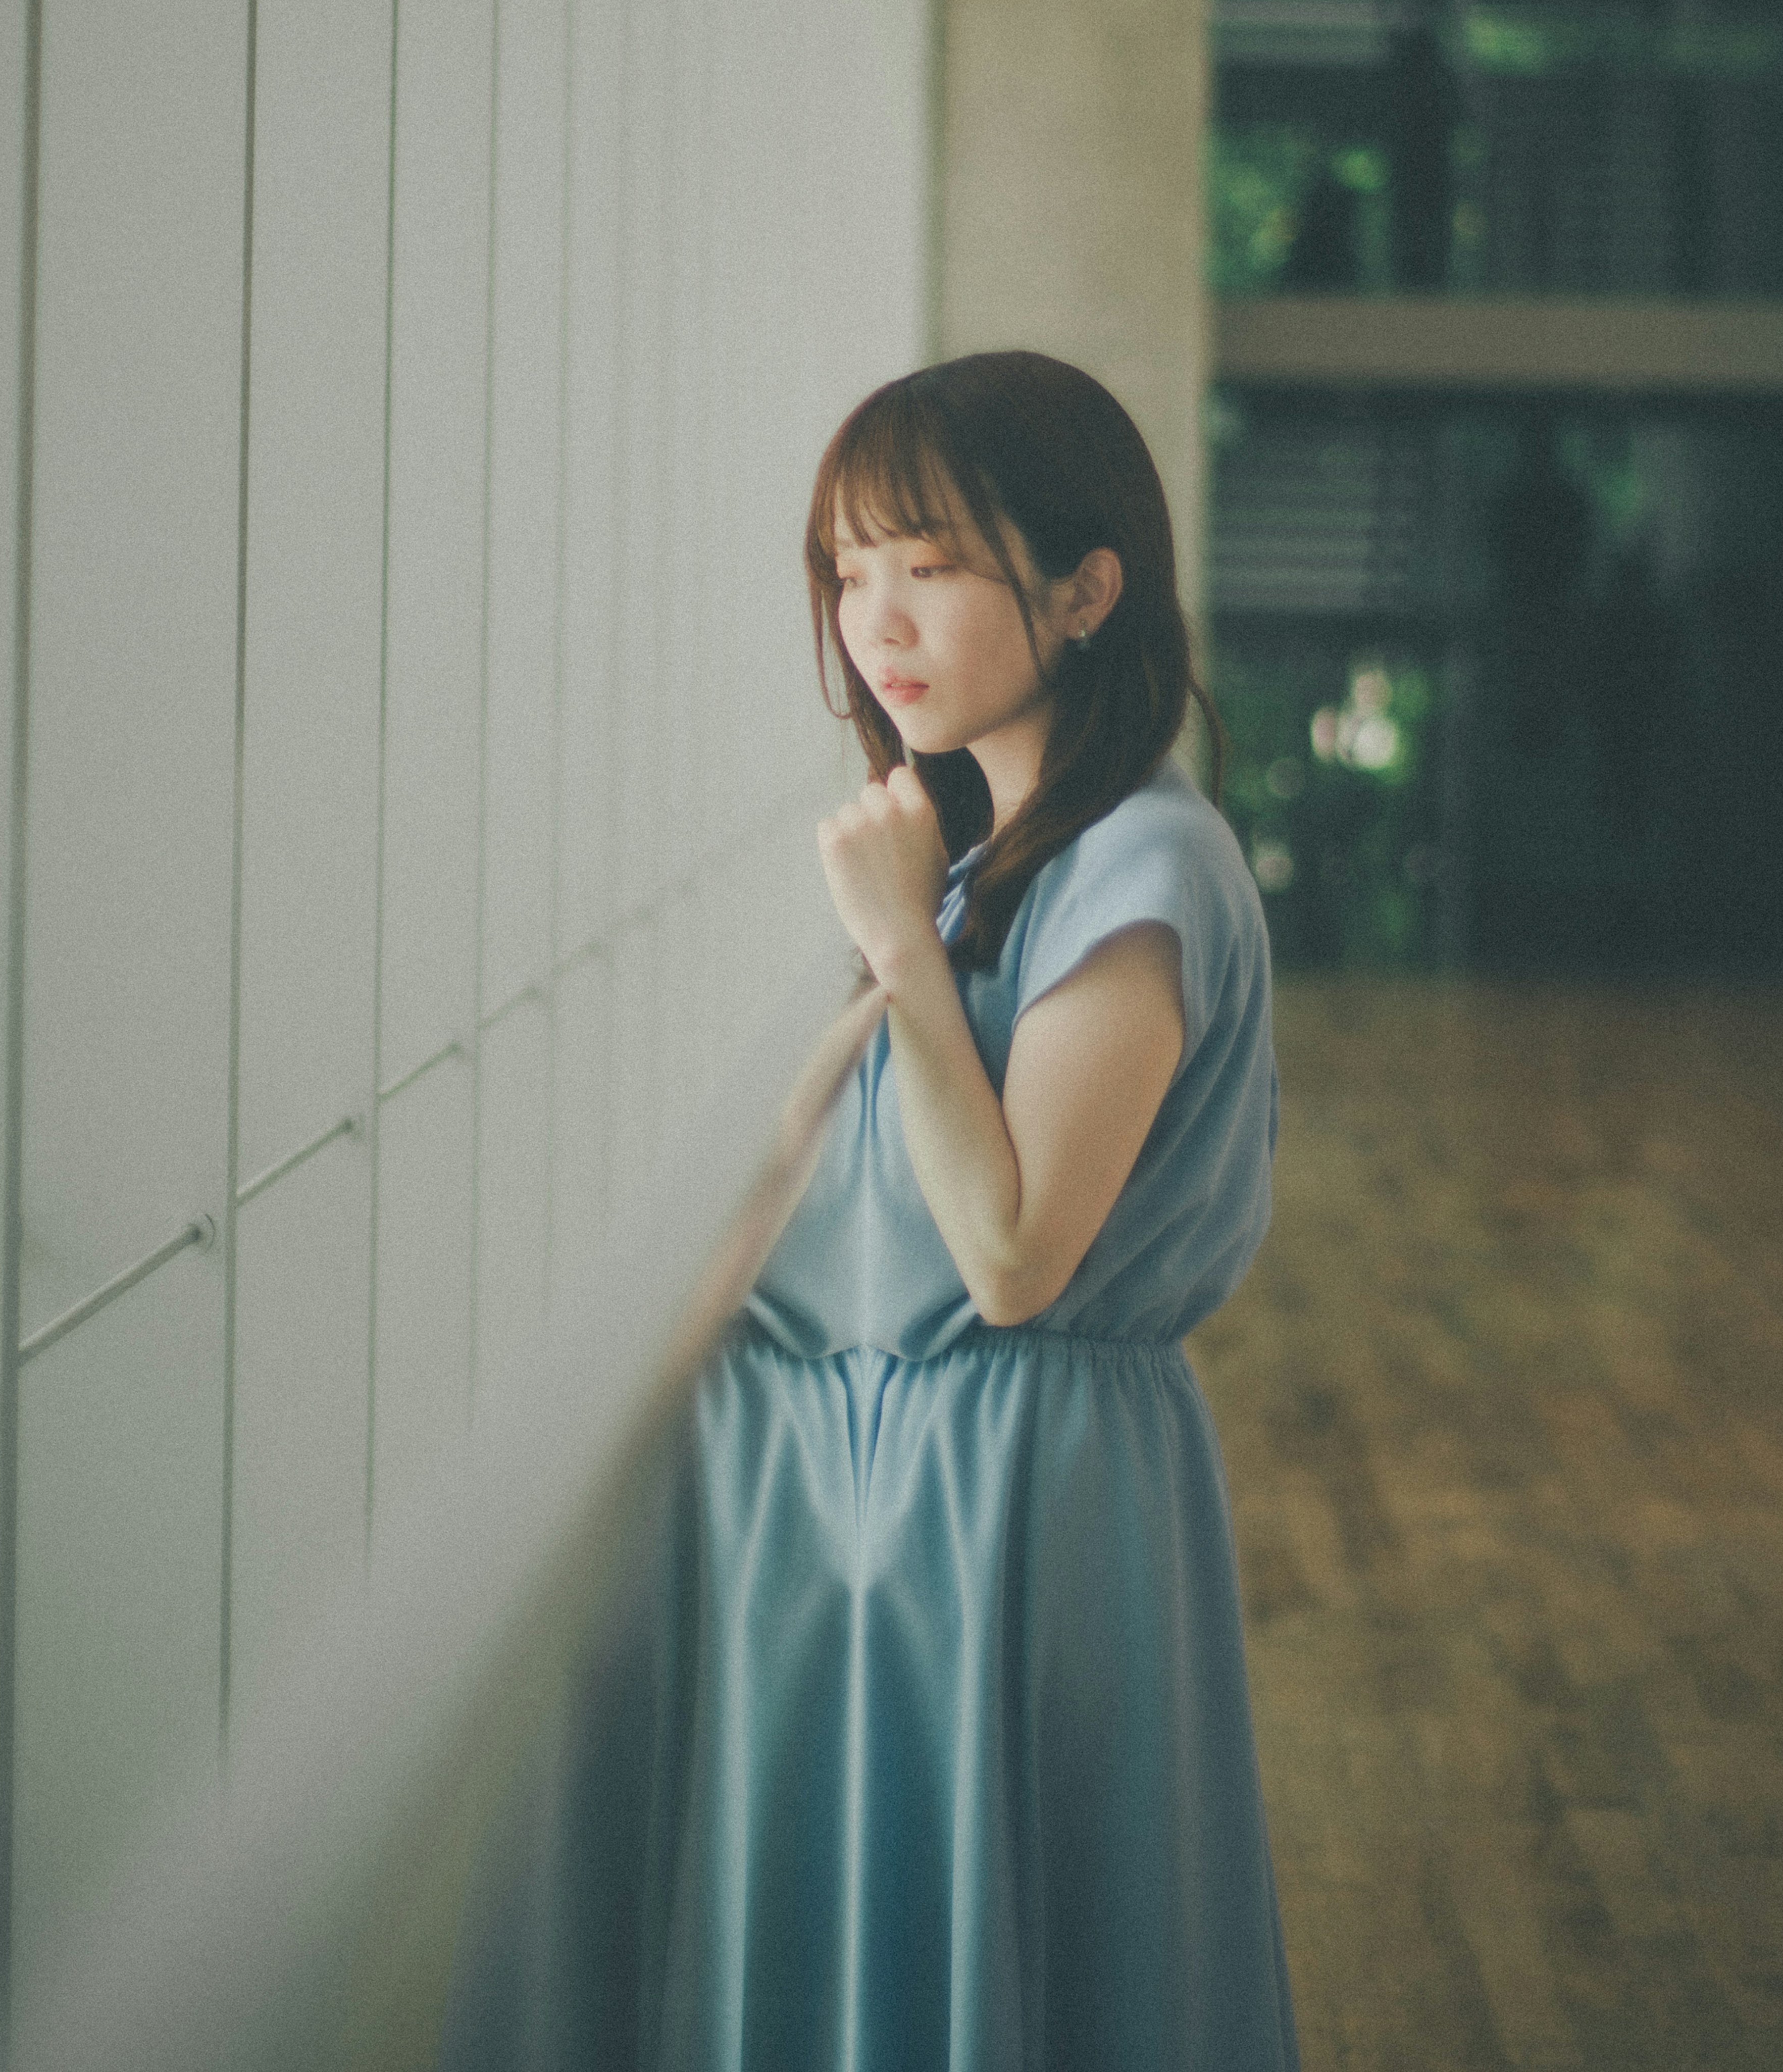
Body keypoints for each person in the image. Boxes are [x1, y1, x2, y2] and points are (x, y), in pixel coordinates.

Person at [442, 350, 1298, 2071]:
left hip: (993, 1507)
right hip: (849, 1503)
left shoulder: (1138, 865)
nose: (874, 622)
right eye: (847, 570)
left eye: (930, 564)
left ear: (1084, 588)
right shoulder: (992, 851)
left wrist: (901, 941)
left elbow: (1008, 1256)